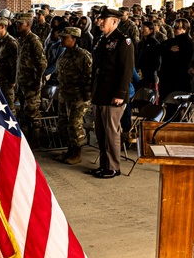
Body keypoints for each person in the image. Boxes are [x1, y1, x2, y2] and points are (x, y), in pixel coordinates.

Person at [88, 9, 133, 179]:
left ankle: (113, 167)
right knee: (100, 132)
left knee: (111, 132)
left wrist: (121, 93)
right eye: (100, 19)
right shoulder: (102, 39)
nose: (99, 22)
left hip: (113, 94)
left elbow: (126, 70)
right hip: (100, 92)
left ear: (114, 21)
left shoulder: (123, 41)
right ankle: (104, 165)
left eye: (103, 19)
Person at [54, 27, 92, 165]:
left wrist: (87, 95)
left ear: (74, 39)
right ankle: (69, 149)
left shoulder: (83, 55)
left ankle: (77, 152)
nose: (62, 39)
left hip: (79, 96)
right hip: (65, 95)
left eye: (65, 37)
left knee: (75, 124)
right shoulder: (64, 54)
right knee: (63, 124)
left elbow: (90, 76)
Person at [14, 14, 46, 143]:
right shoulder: (21, 40)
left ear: (28, 24)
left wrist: (38, 81)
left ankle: (36, 139)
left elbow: (42, 63)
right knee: (24, 110)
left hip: (31, 83)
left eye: (20, 23)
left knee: (33, 111)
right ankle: (27, 136)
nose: (18, 25)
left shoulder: (34, 40)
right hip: (22, 82)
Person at [159, 17, 194, 100]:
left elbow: (185, 61)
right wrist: (169, 49)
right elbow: (157, 49)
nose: (173, 29)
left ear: (184, 29)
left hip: (178, 78)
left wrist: (167, 50)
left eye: (176, 27)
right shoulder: (172, 41)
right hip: (169, 77)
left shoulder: (187, 43)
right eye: (173, 27)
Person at [0, 16, 18, 105]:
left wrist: (13, 80)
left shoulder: (11, 42)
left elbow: (14, 63)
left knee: (9, 106)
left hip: (7, 81)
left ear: (2, 26)